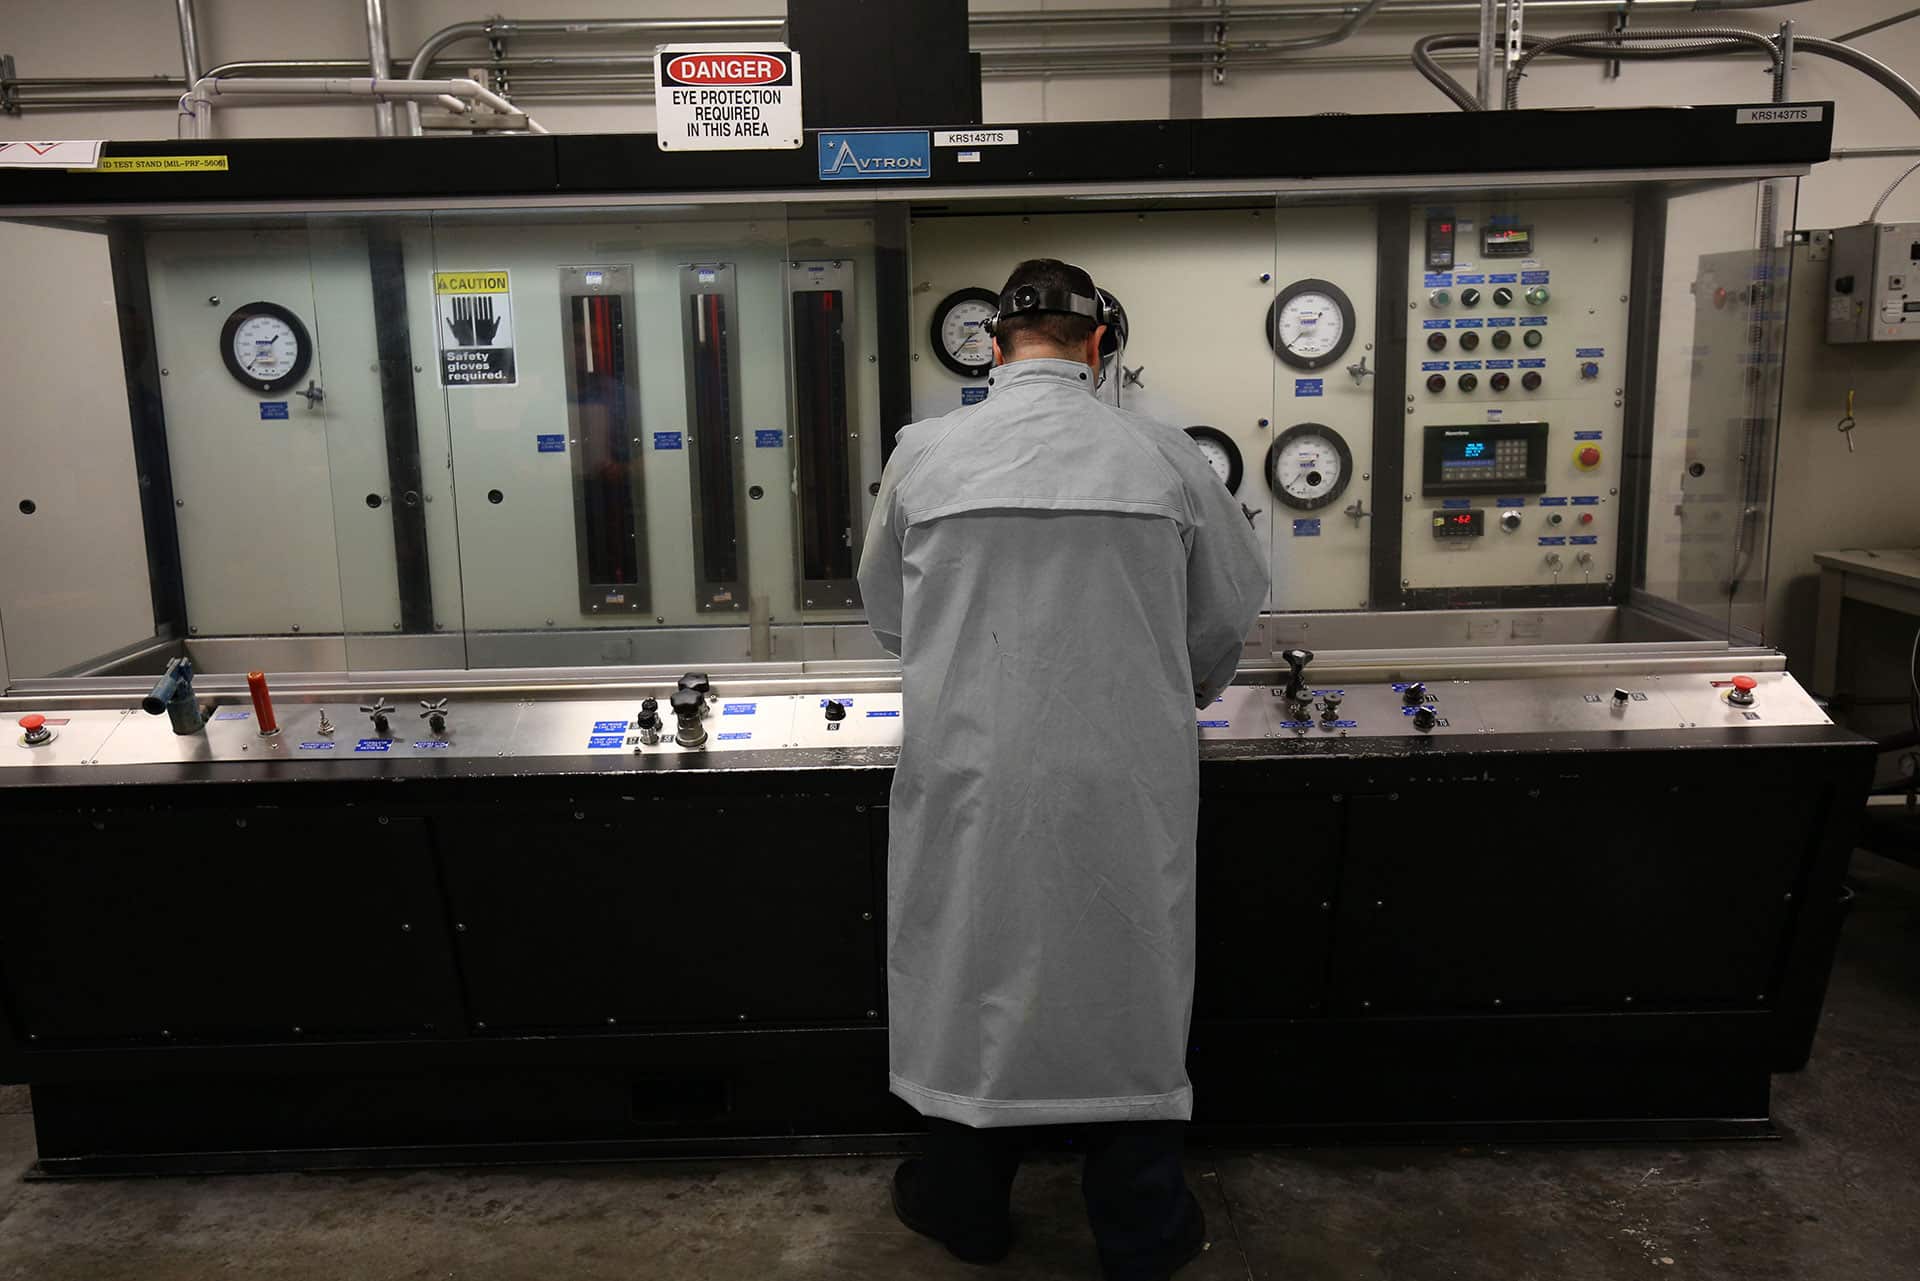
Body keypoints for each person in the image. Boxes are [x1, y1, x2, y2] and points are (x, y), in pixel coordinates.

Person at [856, 258, 1268, 1280]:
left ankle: (965, 1211)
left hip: (971, 775)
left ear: (995, 345)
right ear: (1099, 345)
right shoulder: (1167, 460)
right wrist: (1163, 694)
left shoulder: (923, 457)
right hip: (1126, 780)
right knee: (1127, 987)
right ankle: (1139, 1227)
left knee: (968, 974)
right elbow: (1221, 625)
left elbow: (889, 617)